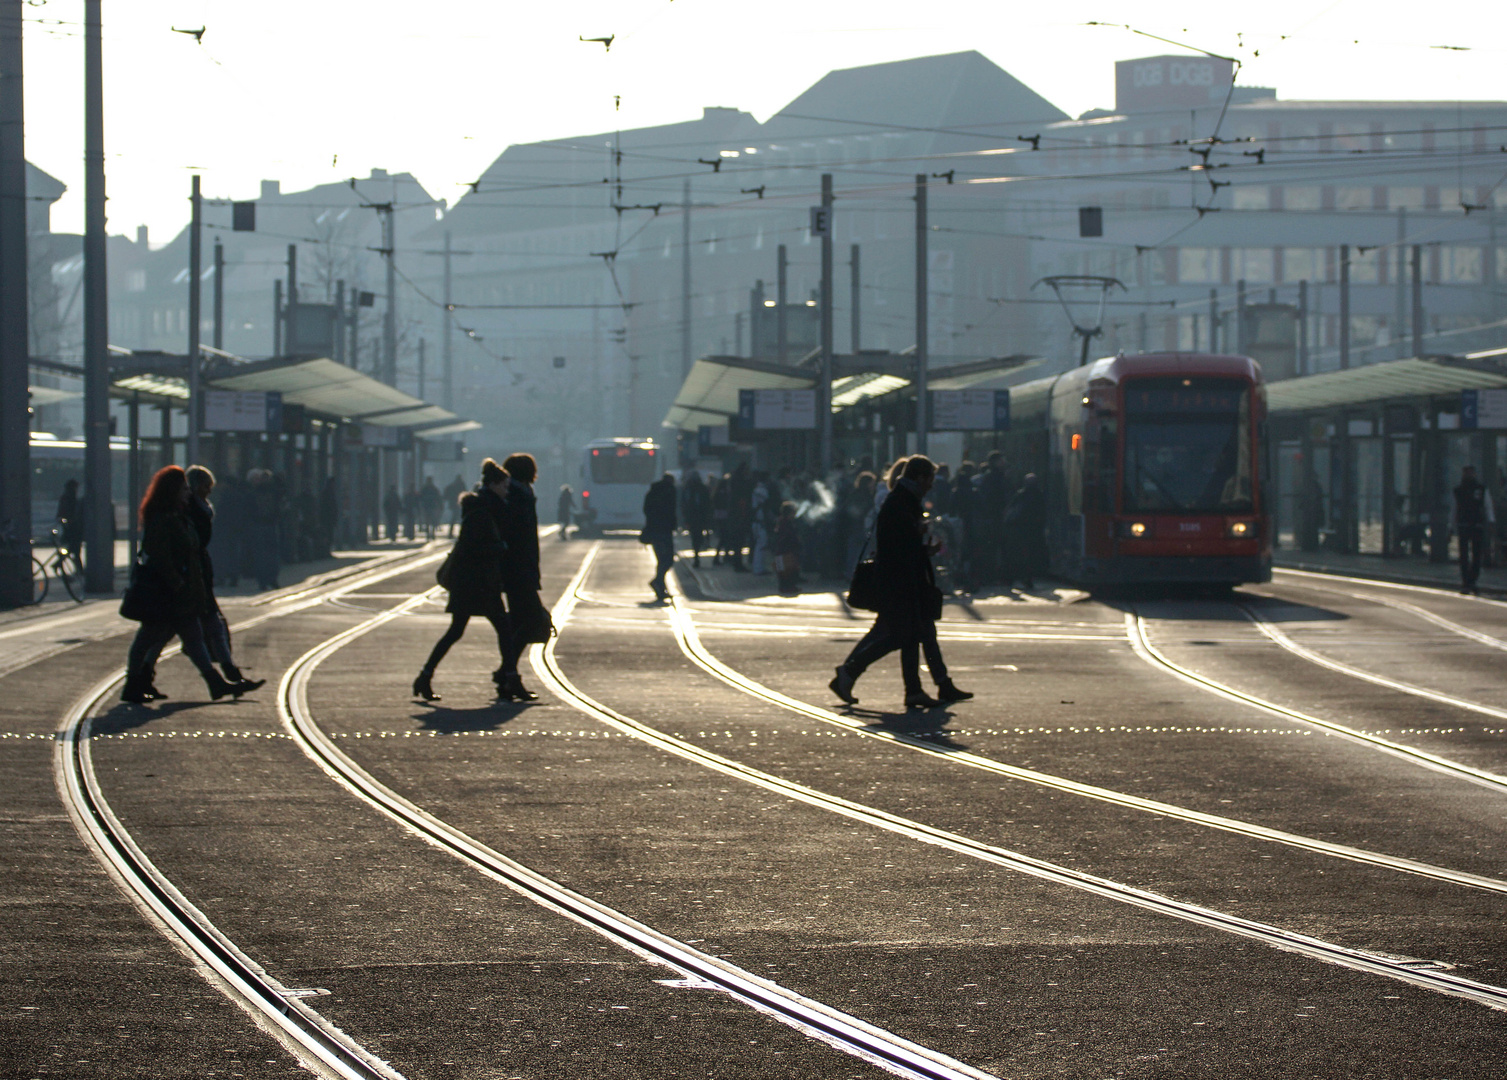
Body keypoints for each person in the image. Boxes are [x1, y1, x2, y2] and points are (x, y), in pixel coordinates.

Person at [830, 455, 970, 710]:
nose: (931, 485)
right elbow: (897, 543)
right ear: (920, 477)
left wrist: (921, 546)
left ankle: (926, 687)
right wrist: (918, 539)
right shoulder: (900, 502)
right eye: (929, 479)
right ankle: (850, 672)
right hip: (900, 581)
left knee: (919, 631)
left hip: (905, 578)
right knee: (902, 635)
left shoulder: (903, 500)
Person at [120, 466, 257, 704]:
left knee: (191, 637)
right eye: (184, 489)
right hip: (165, 593)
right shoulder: (164, 518)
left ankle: (214, 682)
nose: (188, 493)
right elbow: (162, 556)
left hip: (182, 591)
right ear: (172, 491)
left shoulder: (180, 514)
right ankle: (134, 683)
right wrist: (178, 583)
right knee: (149, 638)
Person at [412, 487, 510, 702]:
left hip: (470, 585)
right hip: (478, 585)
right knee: (502, 629)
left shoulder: (476, 514)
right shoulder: (481, 516)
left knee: (457, 631)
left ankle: (425, 676)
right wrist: (499, 547)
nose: (506, 493)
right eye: (504, 487)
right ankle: (507, 678)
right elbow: (474, 549)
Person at [183, 465, 264, 694]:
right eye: (207, 487)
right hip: (190, 578)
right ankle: (138, 677)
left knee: (209, 628)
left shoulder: (199, 507)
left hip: (198, 576)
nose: (209, 491)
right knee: (161, 634)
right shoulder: (188, 509)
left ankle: (226, 676)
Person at [497, 454, 544, 702]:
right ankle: (506, 673)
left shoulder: (520, 493)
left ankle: (507, 675)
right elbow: (520, 537)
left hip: (520, 569)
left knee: (519, 622)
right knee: (533, 620)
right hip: (518, 569)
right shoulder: (518, 496)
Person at [1001, 473, 1048, 590]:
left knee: (1017, 554)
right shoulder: (1039, 495)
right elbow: (1043, 512)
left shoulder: (1020, 494)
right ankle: (1028, 578)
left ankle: (1014, 578)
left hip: (1019, 529)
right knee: (1031, 555)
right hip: (1034, 530)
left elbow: (1010, 509)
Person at [1454, 465, 1494, 595]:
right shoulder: (1458, 490)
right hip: (1464, 524)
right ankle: (1466, 581)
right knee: (1464, 555)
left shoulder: (1481, 489)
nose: (1468, 475)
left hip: (1477, 524)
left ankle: (1472, 581)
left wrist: (1491, 520)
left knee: (1477, 554)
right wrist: (1452, 525)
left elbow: (1487, 505)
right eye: (1466, 473)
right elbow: (1454, 508)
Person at [642, 472, 678, 601]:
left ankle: (660, 587)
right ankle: (658, 583)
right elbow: (673, 511)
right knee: (667, 559)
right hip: (664, 530)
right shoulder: (670, 492)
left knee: (661, 559)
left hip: (654, 530)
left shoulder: (652, 492)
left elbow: (646, 510)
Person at [680, 470, 711, 568]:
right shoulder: (701, 488)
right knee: (697, 536)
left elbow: (684, 504)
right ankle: (697, 555)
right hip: (698, 517)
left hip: (693, 517)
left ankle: (696, 555)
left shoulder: (688, 489)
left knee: (695, 537)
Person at [773, 500, 801, 596]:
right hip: (784, 550)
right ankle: (786, 586)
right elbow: (788, 536)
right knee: (786, 570)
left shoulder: (783, 521)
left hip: (783, 550)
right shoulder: (785, 523)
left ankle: (787, 586)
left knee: (787, 569)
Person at [55, 478, 84, 568]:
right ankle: (80, 571)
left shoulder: (65, 498)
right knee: (75, 550)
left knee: (71, 550)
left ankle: (59, 564)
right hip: (73, 529)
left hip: (68, 528)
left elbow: (60, 514)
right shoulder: (71, 499)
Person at [419, 476, 443, 541]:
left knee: (429, 521)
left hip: (428, 507)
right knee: (431, 521)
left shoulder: (425, 489)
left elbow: (420, 498)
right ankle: (431, 534)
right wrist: (440, 506)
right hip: (431, 507)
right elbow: (438, 498)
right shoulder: (433, 489)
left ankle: (429, 534)